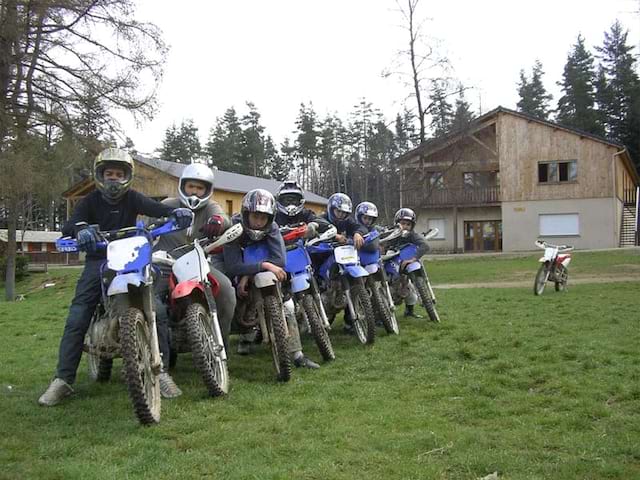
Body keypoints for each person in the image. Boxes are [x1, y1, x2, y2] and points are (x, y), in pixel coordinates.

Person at [38, 148, 193, 406]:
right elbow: (70, 225)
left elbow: (156, 209)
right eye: (108, 173)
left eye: (119, 173)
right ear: (100, 175)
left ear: (127, 176)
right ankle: (62, 380)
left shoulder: (133, 198)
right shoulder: (89, 201)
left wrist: (176, 213)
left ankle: (161, 370)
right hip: (99, 260)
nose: (113, 178)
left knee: (159, 311)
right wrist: (81, 229)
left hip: (132, 258)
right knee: (78, 315)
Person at [152, 163, 236, 397]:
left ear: (207, 190)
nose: (194, 192)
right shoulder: (167, 206)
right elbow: (147, 226)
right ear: (182, 186)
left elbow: (223, 217)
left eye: (200, 188)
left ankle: (221, 353)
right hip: (164, 264)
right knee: (154, 307)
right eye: (190, 186)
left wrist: (219, 222)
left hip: (198, 263)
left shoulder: (210, 207)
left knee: (227, 291)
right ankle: (161, 368)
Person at [223, 188, 319, 369]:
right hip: (244, 269)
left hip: (265, 272)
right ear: (246, 213)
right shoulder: (234, 228)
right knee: (233, 296)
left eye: (263, 217)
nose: (259, 222)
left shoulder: (273, 228)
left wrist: (258, 269)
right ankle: (240, 340)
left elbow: (280, 259)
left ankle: (297, 354)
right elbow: (232, 266)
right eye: (255, 216)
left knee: (287, 306)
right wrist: (259, 268)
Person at [390, 208, 430, 318]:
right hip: (391, 268)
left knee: (409, 289)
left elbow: (425, 245)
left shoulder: (413, 236)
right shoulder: (391, 234)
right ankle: (381, 315)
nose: (405, 226)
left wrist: (413, 258)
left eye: (408, 224)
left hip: (406, 266)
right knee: (386, 289)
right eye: (402, 223)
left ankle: (409, 311)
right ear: (397, 223)